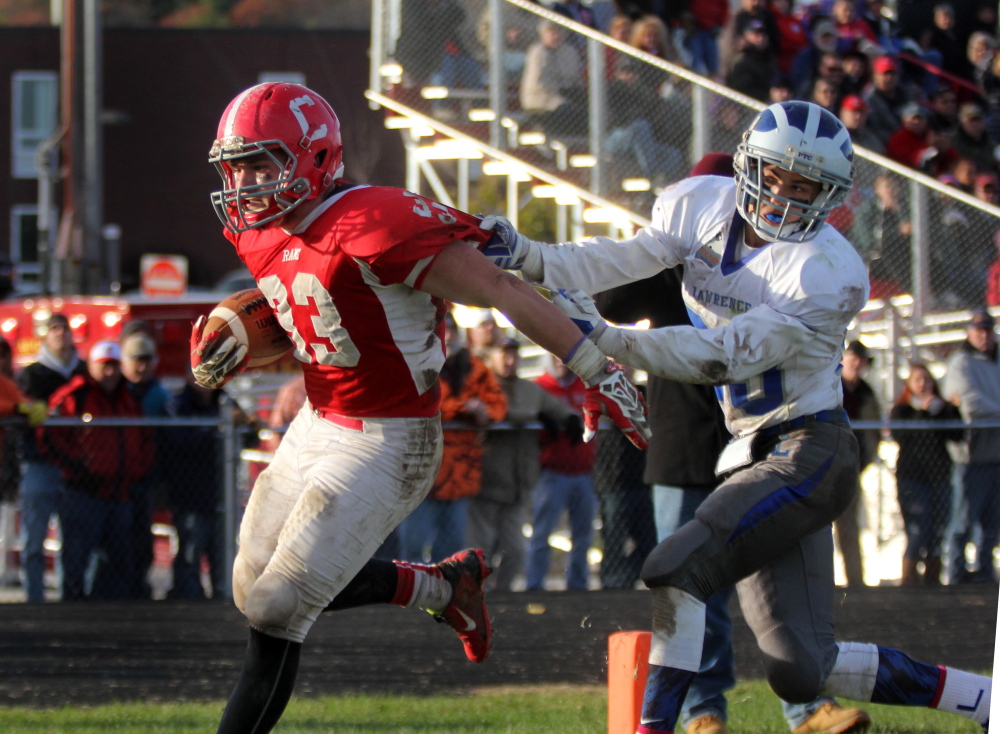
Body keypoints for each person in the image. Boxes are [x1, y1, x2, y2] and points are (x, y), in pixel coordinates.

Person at [482, 100, 991, 733]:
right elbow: (625, 256)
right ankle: (987, 701)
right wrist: (530, 255)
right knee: (804, 668)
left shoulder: (826, 272)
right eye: (774, 175)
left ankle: (653, 728)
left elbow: (720, 355)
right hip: (752, 450)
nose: (781, 195)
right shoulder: (700, 203)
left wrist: (611, 342)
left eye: (802, 186)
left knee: (676, 567)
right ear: (749, 162)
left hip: (809, 448)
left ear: (827, 195)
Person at [194, 82, 648, 734]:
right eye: (234, 166)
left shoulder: (371, 221)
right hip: (317, 422)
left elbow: (500, 288)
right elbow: (320, 314)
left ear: (314, 157)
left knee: (275, 607)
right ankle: (442, 588)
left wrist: (595, 369)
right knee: (250, 589)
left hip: (388, 438)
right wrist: (244, 335)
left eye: (262, 163)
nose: (244, 182)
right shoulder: (259, 231)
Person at [593, 151, 871, 734]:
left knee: (776, 576)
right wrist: (655, 253)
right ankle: (702, 711)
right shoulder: (672, 258)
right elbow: (606, 303)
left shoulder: (783, 264)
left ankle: (805, 706)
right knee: (686, 580)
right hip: (686, 437)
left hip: (770, 441)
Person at [41, 341, 155, 601]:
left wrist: (137, 470)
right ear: (91, 367)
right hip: (83, 493)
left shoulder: (129, 398)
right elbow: (49, 434)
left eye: (114, 366)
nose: (110, 373)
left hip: (120, 492)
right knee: (77, 558)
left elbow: (145, 438)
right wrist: (79, 466)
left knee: (118, 561)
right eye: (104, 367)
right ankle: (74, 610)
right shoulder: (76, 395)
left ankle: (109, 616)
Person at [468, 337, 580, 591]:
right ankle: (475, 595)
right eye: (503, 354)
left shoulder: (530, 390)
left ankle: (502, 595)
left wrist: (570, 419)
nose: (509, 360)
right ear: (490, 357)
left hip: (519, 485)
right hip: (485, 484)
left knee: (516, 550)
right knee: (479, 550)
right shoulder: (482, 387)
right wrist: (535, 416)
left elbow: (560, 409)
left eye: (513, 355)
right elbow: (496, 412)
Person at [398, 311, 507, 562]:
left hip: (460, 474)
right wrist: (465, 409)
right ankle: (409, 595)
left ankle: (442, 597)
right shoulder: (418, 365)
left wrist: (484, 412)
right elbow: (425, 405)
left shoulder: (476, 368)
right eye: (441, 331)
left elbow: (498, 405)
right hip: (422, 472)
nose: (447, 336)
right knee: (413, 546)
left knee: (451, 550)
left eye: (451, 331)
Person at [16, 313, 87, 603]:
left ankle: (70, 599)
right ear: (45, 335)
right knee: (34, 539)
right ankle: (34, 600)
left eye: (64, 328)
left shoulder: (83, 371)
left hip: (77, 467)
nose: (60, 334)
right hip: (40, 464)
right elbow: (21, 411)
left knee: (75, 541)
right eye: (54, 329)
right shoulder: (31, 374)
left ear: (72, 334)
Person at [525, 355, 597, 591]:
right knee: (542, 533)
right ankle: (535, 585)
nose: (560, 361)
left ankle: (578, 584)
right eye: (554, 356)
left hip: (583, 471)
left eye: (563, 356)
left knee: (583, 534)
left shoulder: (583, 387)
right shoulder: (540, 387)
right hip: (552, 471)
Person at [889, 363, 963, 586]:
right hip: (912, 478)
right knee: (917, 531)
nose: (923, 385)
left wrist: (949, 411)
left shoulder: (941, 409)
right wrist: (923, 412)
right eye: (918, 380)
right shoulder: (903, 410)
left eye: (927, 380)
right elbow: (900, 436)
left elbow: (957, 435)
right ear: (909, 385)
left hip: (939, 478)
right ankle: (909, 583)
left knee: (937, 531)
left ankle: (933, 582)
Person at [943, 308, 1000, 584]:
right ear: (969, 332)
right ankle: (954, 575)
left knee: (992, 523)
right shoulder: (961, 363)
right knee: (963, 521)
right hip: (972, 457)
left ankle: (986, 575)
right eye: (978, 329)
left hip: (997, 455)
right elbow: (971, 404)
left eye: (987, 329)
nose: (983, 335)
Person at [116, 331, 173, 599]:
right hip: (113, 480)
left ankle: (139, 588)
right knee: (116, 538)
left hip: (148, 480)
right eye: (136, 360)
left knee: (141, 537)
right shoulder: (112, 395)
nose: (141, 366)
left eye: (146, 360)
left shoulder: (161, 398)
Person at [165, 372, 226, 599]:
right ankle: (188, 604)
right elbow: (183, 441)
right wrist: (221, 429)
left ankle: (224, 601)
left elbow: (249, 437)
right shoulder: (178, 404)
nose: (208, 379)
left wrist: (247, 425)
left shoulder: (225, 401)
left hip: (221, 497)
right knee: (190, 556)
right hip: (190, 498)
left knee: (223, 558)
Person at [837, 340, 879, 587]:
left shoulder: (867, 392)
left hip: (853, 468)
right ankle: (818, 583)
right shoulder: (830, 386)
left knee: (850, 528)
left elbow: (872, 433)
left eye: (861, 359)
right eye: (852, 357)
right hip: (823, 465)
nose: (856, 363)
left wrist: (867, 461)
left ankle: (855, 581)